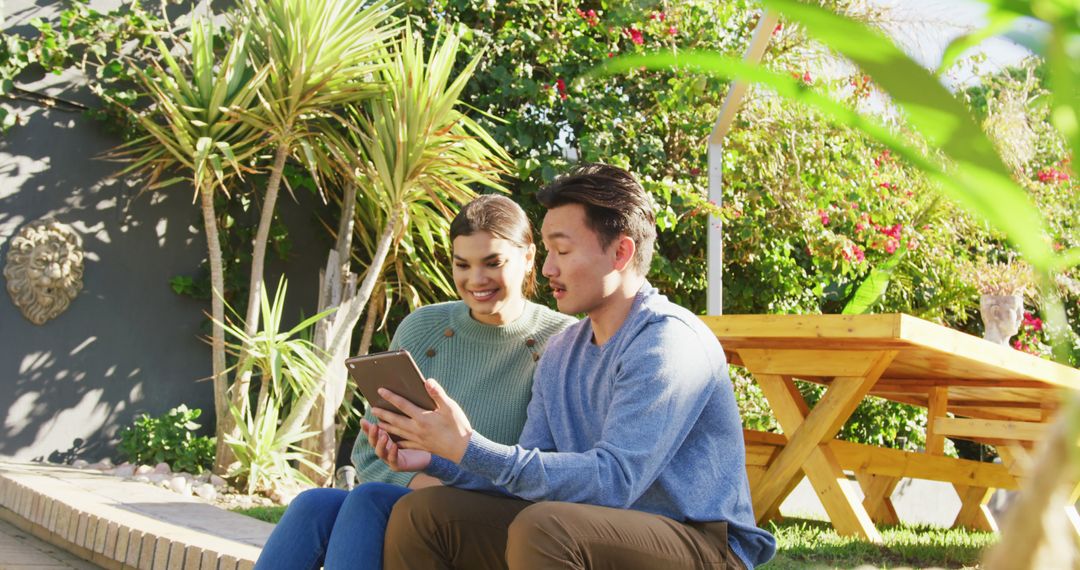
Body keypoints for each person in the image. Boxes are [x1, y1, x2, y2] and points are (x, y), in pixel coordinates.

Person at [364, 163, 777, 569]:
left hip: (702, 545)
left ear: (621, 252)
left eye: (562, 251)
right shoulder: (561, 350)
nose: (547, 269)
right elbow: (526, 475)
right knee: (426, 513)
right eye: (547, 252)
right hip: (588, 530)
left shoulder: (667, 342)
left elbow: (614, 481)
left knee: (545, 526)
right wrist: (438, 459)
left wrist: (469, 445)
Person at [254, 195, 576, 570]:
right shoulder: (423, 327)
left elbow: (552, 467)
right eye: (462, 264)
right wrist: (423, 483)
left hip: (501, 514)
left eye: (493, 263)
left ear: (528, 257)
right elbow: (368, 454)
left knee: (369, 499)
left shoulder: (562, 341)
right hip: (416, 495)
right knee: (313, 504)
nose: (476, 279)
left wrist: (442, 484)